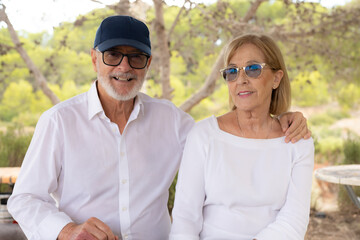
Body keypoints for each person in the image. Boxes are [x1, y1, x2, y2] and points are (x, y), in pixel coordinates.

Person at [7, 16, 310, 240]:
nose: (124, 67)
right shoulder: (59, 122)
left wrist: (283, 116)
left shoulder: (173, 122)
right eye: (113, 55)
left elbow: (231, 140)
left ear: (148, 64)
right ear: (94, 59)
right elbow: (24, 198)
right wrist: (67, 230)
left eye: (136, 57)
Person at [169, 33, 314, 240]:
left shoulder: (297, 141)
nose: (241, 80)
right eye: (232, 72)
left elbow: (294, 220)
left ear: (276, 78)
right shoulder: (203, 136)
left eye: (253, 69)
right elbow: (185, 220)